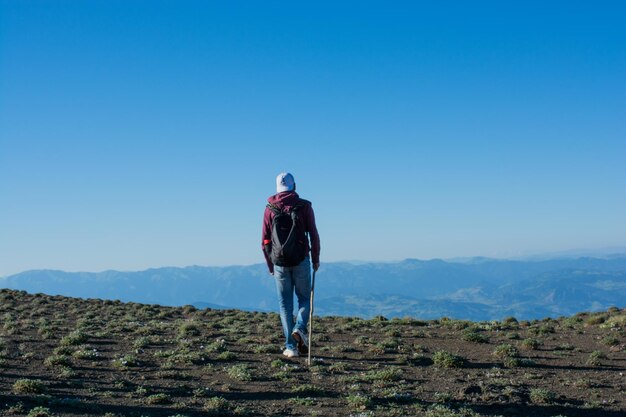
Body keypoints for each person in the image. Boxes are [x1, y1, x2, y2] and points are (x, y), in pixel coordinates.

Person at [262, 172, 320, 358]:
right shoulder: (304, 206)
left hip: (279, 262)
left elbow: (264, 240)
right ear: (294, 186)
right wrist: (315, 258)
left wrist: (270, 264)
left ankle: (290, 347)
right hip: (301, 260)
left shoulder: (269, 209)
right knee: (304, 299)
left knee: (285, 305)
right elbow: (313, 234)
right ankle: (300, 328)